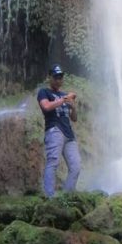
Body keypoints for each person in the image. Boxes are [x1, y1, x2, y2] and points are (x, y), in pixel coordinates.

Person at [36, 64, 80, 197]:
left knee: (76, 166)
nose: (58, 80)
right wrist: (64, 99)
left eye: (60, 77)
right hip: (55, 130)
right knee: (53, 161)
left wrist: (73, 107)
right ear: (50, 77)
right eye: (56, 77)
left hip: (69, 134)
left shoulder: (64, 95)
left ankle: (67, 195)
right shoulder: (44, 92)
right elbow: (46, 106)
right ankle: (49, 197)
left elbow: (74, 118)